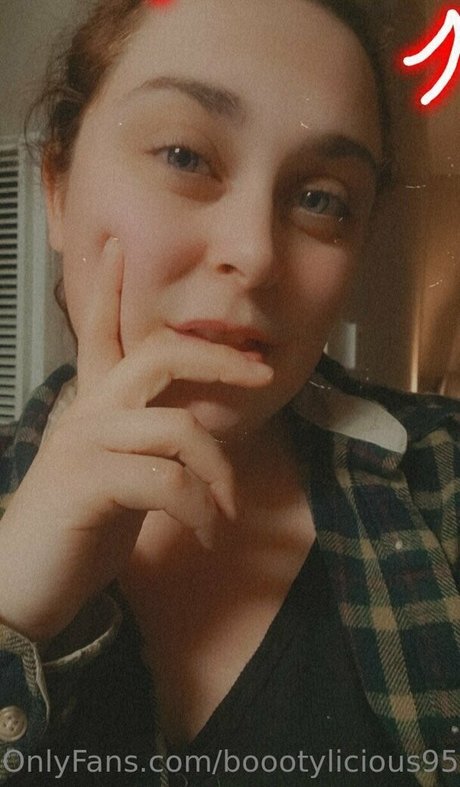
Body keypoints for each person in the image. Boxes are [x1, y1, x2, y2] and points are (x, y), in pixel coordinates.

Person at [0, 0, 459, 784]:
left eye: (321, 198)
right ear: (56, 190)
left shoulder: (442, 479)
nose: (255, 253)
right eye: (185, 155)